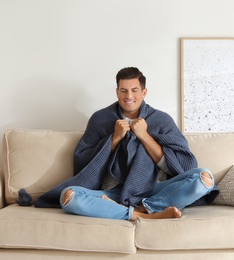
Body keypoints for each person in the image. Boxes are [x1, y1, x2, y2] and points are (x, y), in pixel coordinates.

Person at [17, 67, 218, 220]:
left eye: (134, 90)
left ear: (144, 92)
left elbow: (182, 166)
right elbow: (82, 162)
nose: (129, 96)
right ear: (117, 92)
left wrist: (144, 136)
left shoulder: (161, 120)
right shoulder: (100, 119)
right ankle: (143, 215)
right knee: (68, 196)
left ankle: (143, 207)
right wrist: (114, 139)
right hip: (114, 192)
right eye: (123, 90)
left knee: (204, 178)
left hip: (156, 188)